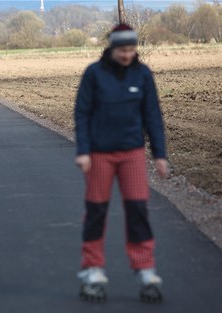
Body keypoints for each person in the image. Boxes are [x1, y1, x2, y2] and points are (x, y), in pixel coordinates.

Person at [74, 24, 168, 303]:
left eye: (131, 49)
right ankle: (93, 270)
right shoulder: (94, 73)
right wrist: (83, 151)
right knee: (96, 212)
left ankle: (145, 269)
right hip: (99, 154)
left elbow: (153, 115)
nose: (127, 55)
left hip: (132, 153)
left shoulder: (143, 74)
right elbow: (82, 113)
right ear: (112, 48)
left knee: (138, 209)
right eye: (122, 50)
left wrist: (160, 155)